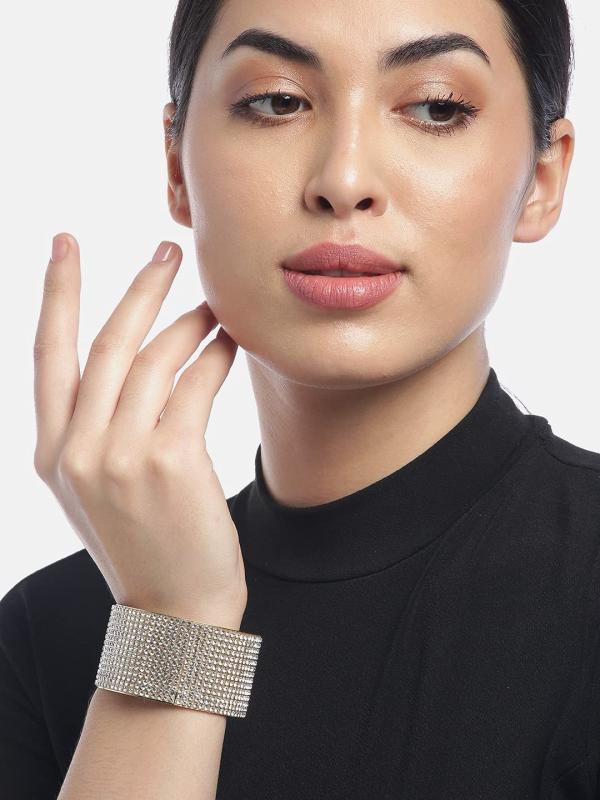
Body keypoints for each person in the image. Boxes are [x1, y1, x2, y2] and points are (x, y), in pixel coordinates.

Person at [1, 0, 594, 798]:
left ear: (543, 180)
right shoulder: (50, 629)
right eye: (277, 101)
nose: (343, 181)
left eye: (435, 108)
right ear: (176, 165)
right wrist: (173, 626)